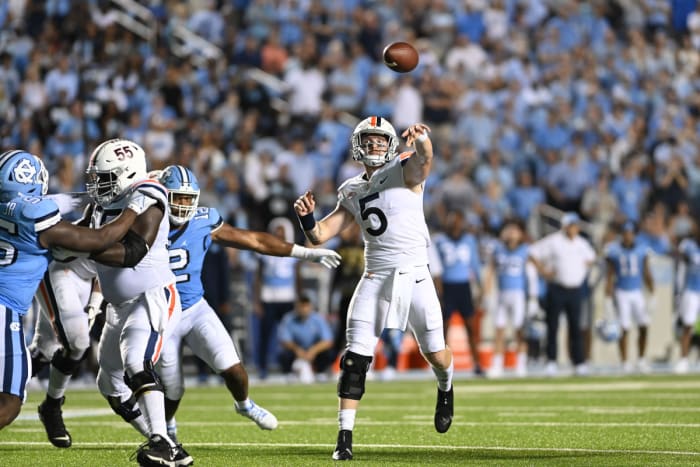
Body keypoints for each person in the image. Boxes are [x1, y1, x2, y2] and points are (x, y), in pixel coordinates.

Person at [293, 117, 454, 461]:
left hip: (415, 275)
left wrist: (423, 138)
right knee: (354, 358)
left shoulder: (403, 170)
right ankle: (344, 437)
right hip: (375, 276)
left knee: (437, 354)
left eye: (382, 141)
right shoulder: (350, 189)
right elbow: (320, 235)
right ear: (358, 145)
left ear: (392, 144)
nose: (375, 146)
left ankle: (445, 387)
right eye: (370, 140)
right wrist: (306, 218)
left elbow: (425, 160)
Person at [156, 165, 340, 440]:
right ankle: (167, 427)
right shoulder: (146, 221)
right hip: (160, 314)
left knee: (235, 370)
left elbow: (254, 240)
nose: (183, 205)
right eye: (177, 198)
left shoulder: (203, 220)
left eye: (187, 198)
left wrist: (304, 253)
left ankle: (244, 405)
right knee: (172, 388)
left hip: (194, 308)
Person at [0, 149, 140, 431]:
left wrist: (93, 197)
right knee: (10, 401)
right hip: (3, 309)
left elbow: (60, 201)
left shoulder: (17, 206)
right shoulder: (34, 215)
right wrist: (134, 208)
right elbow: (100, 239)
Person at [84, 139, 192, 466]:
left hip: (152, 296)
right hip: (118, 307)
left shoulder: (147, 197)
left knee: (136, 365)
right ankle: (166, 444)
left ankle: (161, 442)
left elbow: (131, 253)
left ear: (126, 173)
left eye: (104, 177)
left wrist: (75, 247)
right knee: (109, 383)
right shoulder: (103, 204)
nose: (97, 184)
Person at [529, 212, 596, 376]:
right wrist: (544, 272)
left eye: (576, 225)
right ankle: (551, 361)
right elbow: (532, 252)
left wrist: (581, 269)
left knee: (575, 327)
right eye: (571, 225)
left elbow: (592, 258)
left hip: (575, 290)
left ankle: (578, 362)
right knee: (553, 326)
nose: (574, 228)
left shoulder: (581, 243)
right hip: (557, 288)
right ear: (565, 226)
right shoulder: (554, 241)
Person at [431, 209, 484, 376]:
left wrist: (480, 287)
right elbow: (435, 267)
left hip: (464, 287)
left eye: (458, 222)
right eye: (452, 222)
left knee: (470, 327)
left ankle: (477, 364)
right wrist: (437, 292)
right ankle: (441, 365)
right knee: (443, 328)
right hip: (446, 286)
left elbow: (475, 264)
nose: (455, 225)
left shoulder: (469, 240)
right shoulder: (439, 240)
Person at [483, 219, 538, 378]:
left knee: (519, 329)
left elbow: (533, 275)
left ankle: (521, 364)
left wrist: (533, 297)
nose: (511, 233)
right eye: (509, 229)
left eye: (514, 230)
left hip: (518, 294)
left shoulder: (525, 250)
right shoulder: (498, 249)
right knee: (499, 330)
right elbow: (490, 272)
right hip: (502, 294)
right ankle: (497, 364)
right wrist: (487, 294)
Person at [604, 221, 654, 374]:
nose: (628, 236)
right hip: (622, 292)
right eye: (625, 233)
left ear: (634, 234)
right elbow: (610, 274)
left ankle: (641, 359)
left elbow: (646, 271)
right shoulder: (614, 250)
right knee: (624, 327)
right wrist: (607, 296)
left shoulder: (642, 249)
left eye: (630, 233)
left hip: (637, 292)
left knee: (644, 325)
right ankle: (624, 361)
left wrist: (653, 293)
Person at [277, 294, 335, 383]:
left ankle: (320, 373)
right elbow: (284, 340)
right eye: (301, 306)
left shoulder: (318, 319)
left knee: (327, 352)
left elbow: (328, 341)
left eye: (306, 306)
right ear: (296, 307)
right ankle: (289, 374)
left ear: (310, 307)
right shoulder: (289, 319)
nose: (304, 309)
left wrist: (313, 350)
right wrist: (297, 350)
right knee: (284, 353)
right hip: (296, 350)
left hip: (313, 350)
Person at [675, 228, 700, 374]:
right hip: (690, 290)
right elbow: (680, 260)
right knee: (687, 326)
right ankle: (683, 360)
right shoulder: (688, 246)